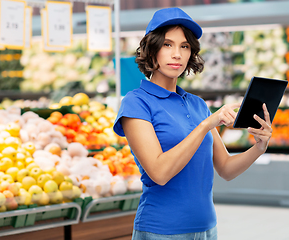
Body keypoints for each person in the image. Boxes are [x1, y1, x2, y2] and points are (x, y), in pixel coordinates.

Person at [113, 7, 272, 240]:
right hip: (161, 230)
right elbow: (159, 172)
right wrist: (205, 125)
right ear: (151, 49)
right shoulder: (136, 103)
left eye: (184, 46)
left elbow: (226, 168)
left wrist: (259, 147)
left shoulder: (197, 105)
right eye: (167, 44)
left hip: (207, 229)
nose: (176, 54)